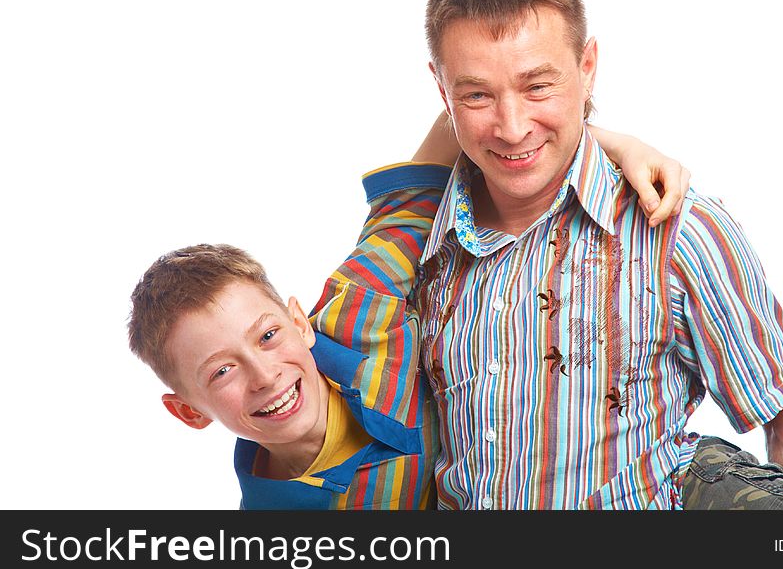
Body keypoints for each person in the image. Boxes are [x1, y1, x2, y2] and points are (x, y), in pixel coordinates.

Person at [415, 0, 783, 510]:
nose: (512, 128)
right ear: (443, 92)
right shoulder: (415, 245)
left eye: (538, 86)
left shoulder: (679, 231)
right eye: (477, 95)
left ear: (587, 67)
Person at [127, 112, 689, 509]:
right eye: (220, 372)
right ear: (189, 412)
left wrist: (609, 143)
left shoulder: (362, 303)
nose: (263, 374)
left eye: (268, 335)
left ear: (299, 320)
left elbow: (458, 124)